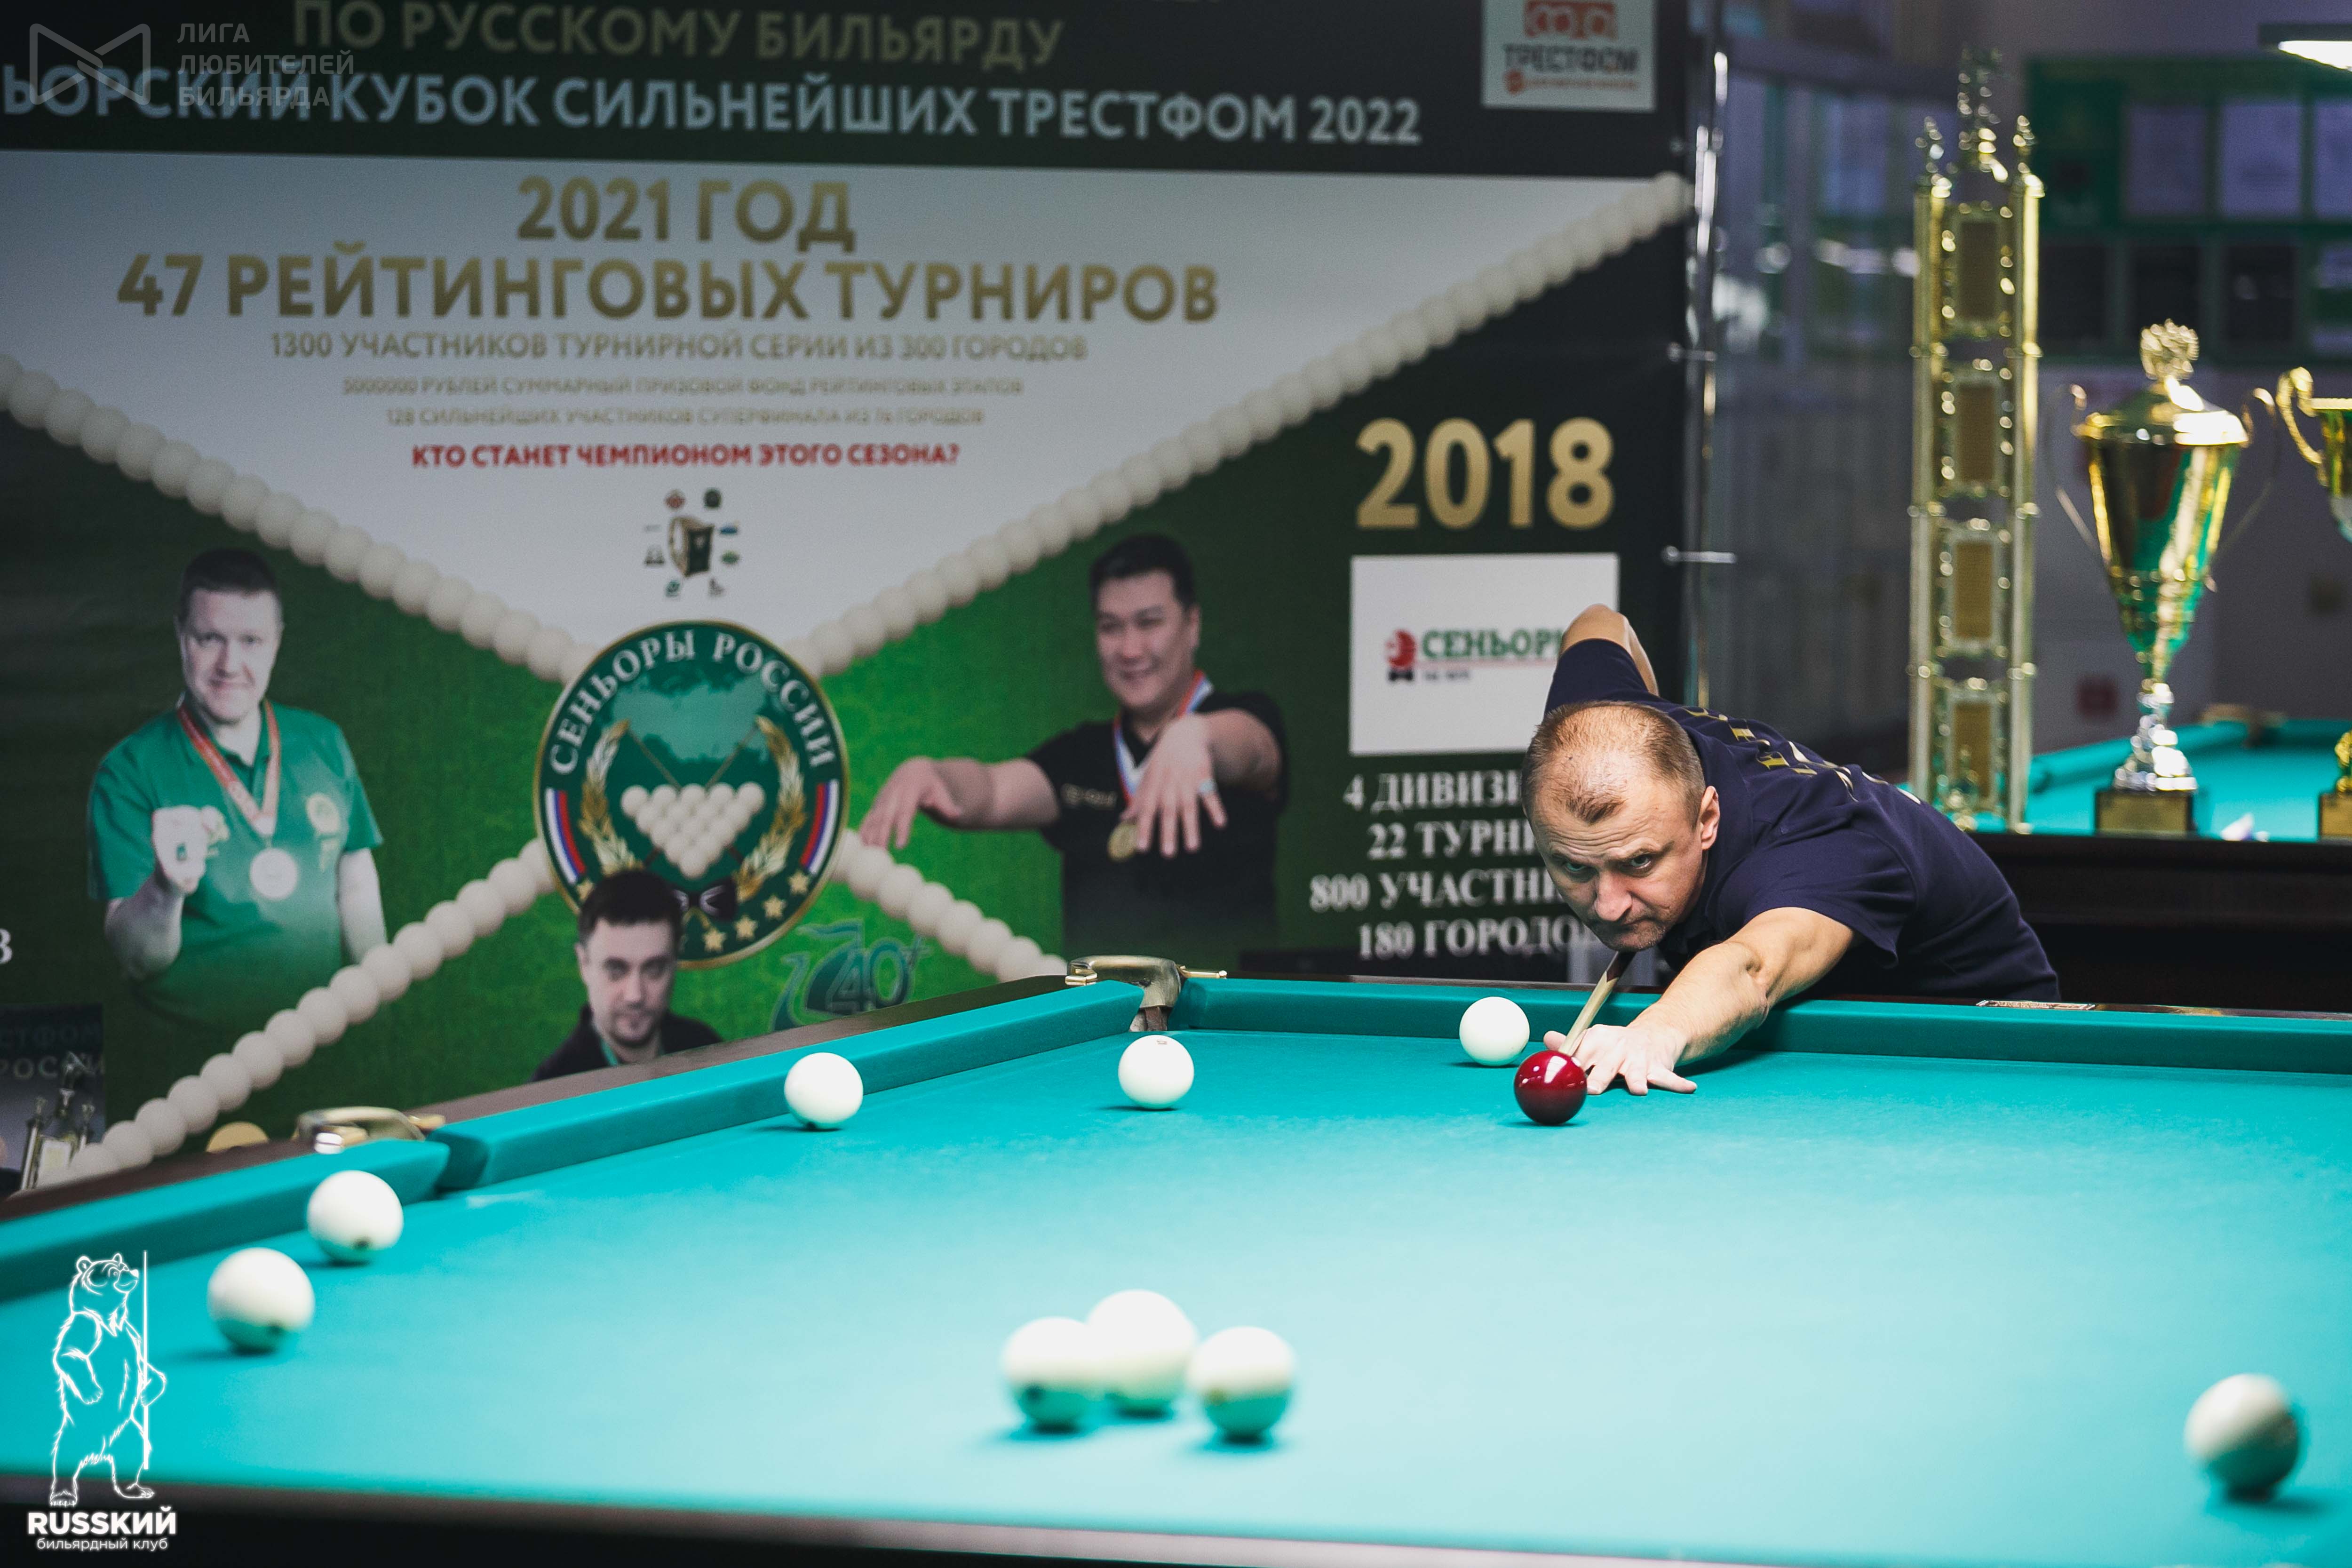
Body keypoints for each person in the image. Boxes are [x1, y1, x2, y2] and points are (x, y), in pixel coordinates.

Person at [1525, 604, 2057, 1097]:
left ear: (1706, 819)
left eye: (1639, 862)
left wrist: (1656, 1032)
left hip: (1985, 1045)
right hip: (1800, 1035)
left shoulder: (1822, 846)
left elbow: (1751, 969)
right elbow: (1599, 623)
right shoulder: (1594, 737)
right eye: (1573, 866)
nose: (1608, 906)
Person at [860, 534, 1286, 959]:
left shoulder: (1243, 718)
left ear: (1192, 625)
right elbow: (990, 791)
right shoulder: (1082, 754)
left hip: (1225, 1002)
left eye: (1149, 623)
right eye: (1111, 627)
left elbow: (1255, 750)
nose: (1130, 649)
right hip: (1106, 1004)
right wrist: (932, 773)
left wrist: (1197, 735)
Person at [87, 549, 387, 1030]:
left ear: (277, 642)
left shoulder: (324, 741)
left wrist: (381, 1002)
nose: (230, 664)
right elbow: (138, 960)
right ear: (181, 636)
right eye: (210, 639)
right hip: (196, 1052)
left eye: (251, 640)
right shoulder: (128, 772)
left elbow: (355, 884)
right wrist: (166, 886)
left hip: (323, 1038)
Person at [534, 869, 721, 1080]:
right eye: (616, 970)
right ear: (584, 964)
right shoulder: (552, 1089)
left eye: (654, 969)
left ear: (674, 961)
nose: (635, 996)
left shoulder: (707, 1052)